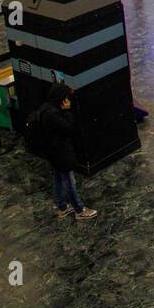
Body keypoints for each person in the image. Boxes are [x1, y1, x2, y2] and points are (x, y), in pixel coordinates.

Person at [29, 82, 98, 221]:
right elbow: (68, 128)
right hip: (61, 153)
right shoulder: (54, 115)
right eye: (66, 98)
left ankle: (62, 207)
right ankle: (79, 210)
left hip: (52, 153)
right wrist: (67, 111)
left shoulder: (45, 108)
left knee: (58, 179)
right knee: (69, 181)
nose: (68, 100)